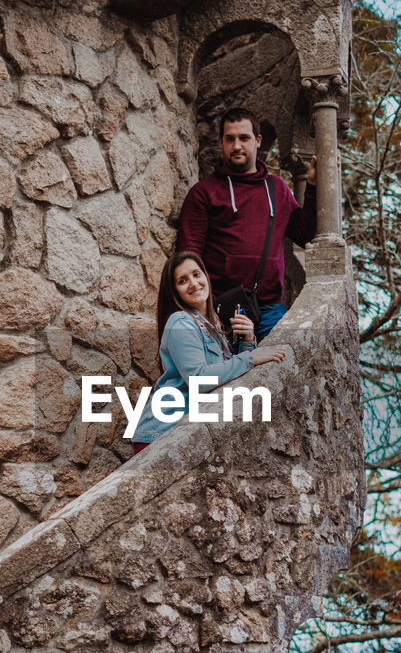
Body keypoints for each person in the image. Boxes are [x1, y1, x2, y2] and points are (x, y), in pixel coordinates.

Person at [177, 106, 318, 340]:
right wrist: (201, 311)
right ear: (221, 142)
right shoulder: (203, 193)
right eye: (230, 139)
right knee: (225, 376)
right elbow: (189, 257)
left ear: (258, 140)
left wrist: (313, 186)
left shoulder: (277, 189)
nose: (237, 146)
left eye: (244, 138)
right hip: (219, 309)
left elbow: (305, 234)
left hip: (269, 309)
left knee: (280, 367)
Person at [132, 249, 288, 451]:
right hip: (161, 434)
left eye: (197, 274)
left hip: (184, 433)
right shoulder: (181, 322)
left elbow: (226, 375)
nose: (194, 283)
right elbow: (200, 380)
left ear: (206, 276)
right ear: (175, 292)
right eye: (182, 280)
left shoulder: (209, 325)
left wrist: (248, 340)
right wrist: (250, 357)